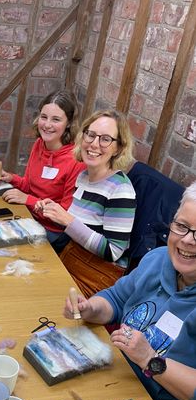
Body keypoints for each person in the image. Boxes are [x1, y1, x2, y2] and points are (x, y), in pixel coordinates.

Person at [63, 182, 196, 400]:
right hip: (124, 383)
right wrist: (90, 308)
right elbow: (116, 298)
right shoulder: (158, 259)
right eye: (181, 226)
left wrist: (150, 359)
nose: (186, 240)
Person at [37, 109, 136, 297]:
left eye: (106, 139)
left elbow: (113, 251)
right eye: (90, 135)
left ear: (119, 148)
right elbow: (83, 222)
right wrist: (53, 210)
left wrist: (67, 220)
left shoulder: (120, 189)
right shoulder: (84, 176)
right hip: (70, 260)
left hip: (93, 278)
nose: (94, 144)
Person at [0, 90, 85, 243]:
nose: (47, 125)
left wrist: (27, 200)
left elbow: (63, 214)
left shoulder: (76, 160)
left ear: (69, 123)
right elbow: (29, 185)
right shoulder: (40, 144)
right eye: (44, 117)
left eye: (56, 119)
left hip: (53, 232)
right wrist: (11, 178)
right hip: (29, 217)